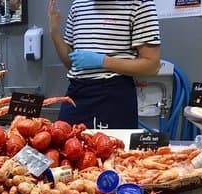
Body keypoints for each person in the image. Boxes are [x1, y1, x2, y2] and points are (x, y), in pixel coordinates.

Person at [49, 0, 161, 129]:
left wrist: (103, 61)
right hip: (76, 92)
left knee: (112, 148)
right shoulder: (78, 5)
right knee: (61, 144)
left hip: (113, 94)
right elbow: (69, 62)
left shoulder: (140, 4)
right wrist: (54, 32)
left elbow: (152, 66)